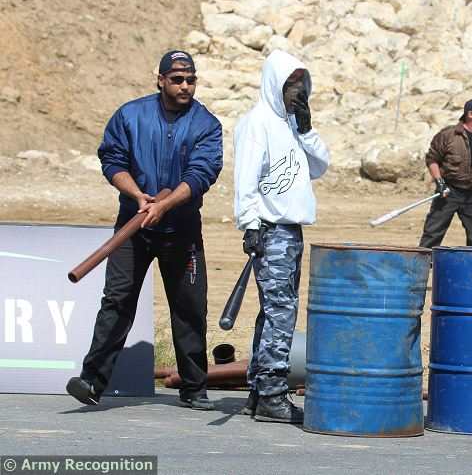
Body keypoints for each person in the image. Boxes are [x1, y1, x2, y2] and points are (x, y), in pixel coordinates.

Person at [66, 50, 223, 410]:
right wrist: (137, 195)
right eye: (177, 79)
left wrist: (165, 205)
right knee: (117, 300)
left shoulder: (206, 125)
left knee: (188, 306)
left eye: (191, 79)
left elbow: (201, 174)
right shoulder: (130, 115)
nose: (185, 86)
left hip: (181, 229)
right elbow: (112, 159)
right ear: (161, 80)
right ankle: (91, 380)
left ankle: (194, 387)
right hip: (132, 225)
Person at [233, 50, 329, 423]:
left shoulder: (292, 125)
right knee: (282, 312)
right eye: (291, 84)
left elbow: (320, 166)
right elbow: (245, 180)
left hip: (292, 230)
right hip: (270, 231)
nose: (297, 92)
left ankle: (258, 392)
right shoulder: (256, 123)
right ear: (275, 84)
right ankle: (273, 392)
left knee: (273, 311)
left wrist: (306, 129)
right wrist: (250, 224)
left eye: (302, 85)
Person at [418, 98, 472, 248]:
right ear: (470, 114)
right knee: (433, 233)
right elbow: (432, 159)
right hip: (448, 192)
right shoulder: (449, 135)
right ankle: (422, 266)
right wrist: (439, 182)